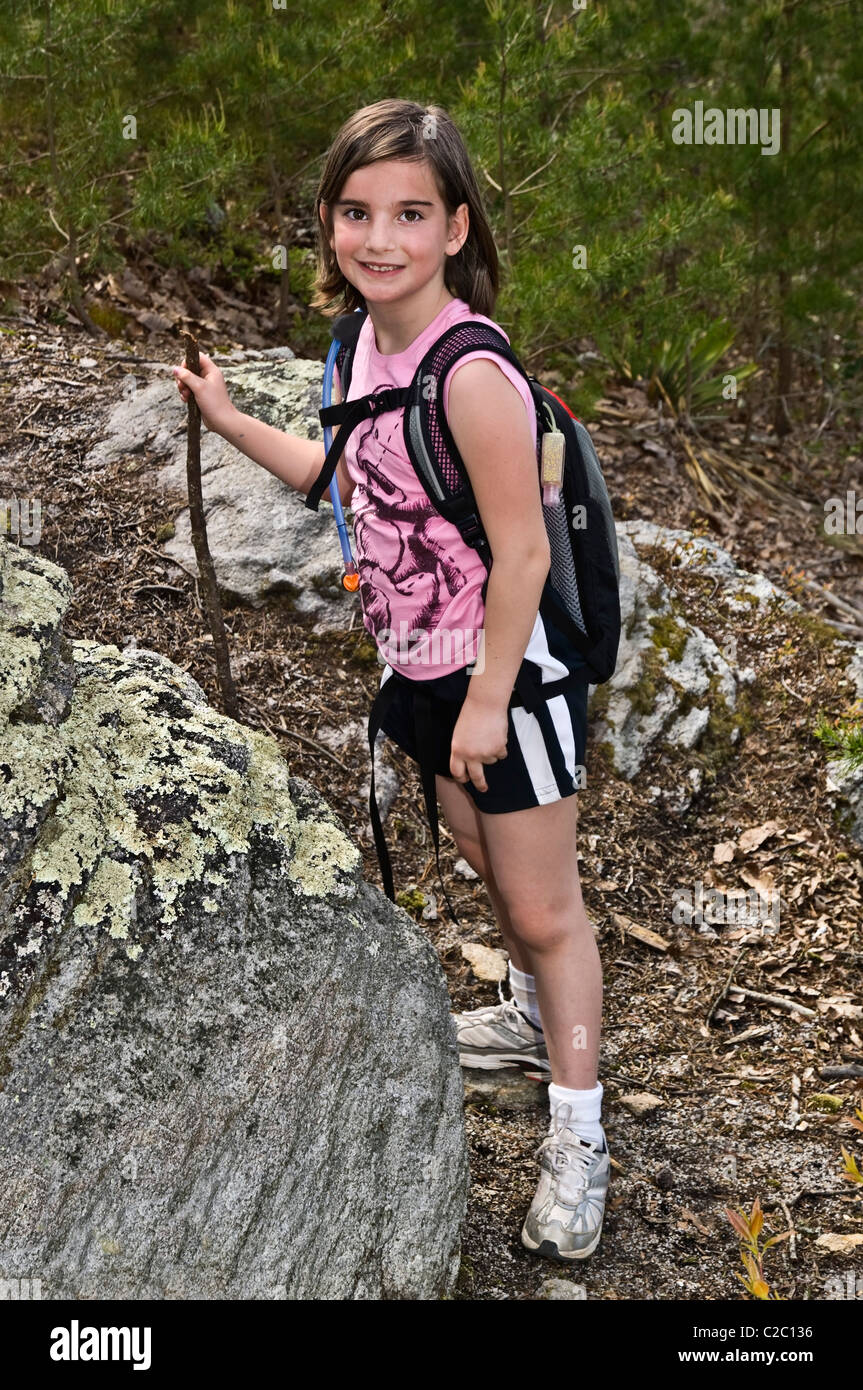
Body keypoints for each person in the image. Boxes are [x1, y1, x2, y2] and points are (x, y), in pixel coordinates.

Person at [172, 97, 609, 1264]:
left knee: (542, 908)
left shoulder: (471, 376)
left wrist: (481, 704)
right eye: (356, 213)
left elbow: (518, 554)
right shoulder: (360, 347)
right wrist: (226, 421)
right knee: (487, 864)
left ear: (456, 227)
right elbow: (337, 473)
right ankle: (526, 1023)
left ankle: (579, 1140)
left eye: (409, 214)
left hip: (506, 682)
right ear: (327, 225)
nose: (379, 238)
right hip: (419, 669)